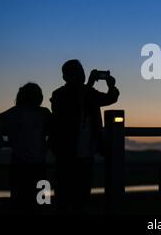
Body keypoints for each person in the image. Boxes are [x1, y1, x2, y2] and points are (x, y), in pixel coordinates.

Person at [50, 59, 119, 213]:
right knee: (64, 197)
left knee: (81, 197)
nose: (80, 75)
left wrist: (111, 86)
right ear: (66, 77)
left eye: (81, 71)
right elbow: (72, 107)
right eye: (76, 72)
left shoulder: (89, 93)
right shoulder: (59, 95)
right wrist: (89, 85)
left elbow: (110, 99)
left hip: (86, 153)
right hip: (66, 153)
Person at [0, 83, 51, 213]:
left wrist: (1, 142)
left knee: (20, 200)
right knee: (39, 201)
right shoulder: (42, 113)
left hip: (21, 164)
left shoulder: (16, 112)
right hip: (36, 164)